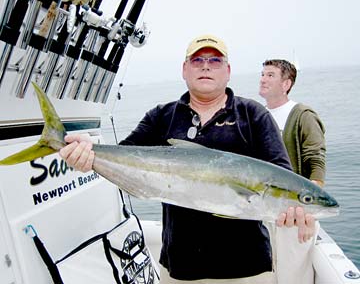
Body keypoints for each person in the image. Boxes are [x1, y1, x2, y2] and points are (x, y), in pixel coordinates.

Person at [60, 35, 314, 284]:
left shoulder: (253, 115)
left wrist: (293, 211)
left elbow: (281, 173)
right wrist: (88, 155)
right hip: (179, 267)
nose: (205, 65)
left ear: (228, 71)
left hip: (247, 268)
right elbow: (124, 158)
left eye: (215, 61)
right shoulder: (162, 116)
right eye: (197, 60)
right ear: (184, 69)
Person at [259, 59, 326, 284]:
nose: (263, 79)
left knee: (293, 274)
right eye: (262, 74)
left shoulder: (302, 114)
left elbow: (315, 159)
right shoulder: (258, 116)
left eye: (270, 75)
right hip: (264, 210)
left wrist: (307, 213)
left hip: (293, 214)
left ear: (286, 83)